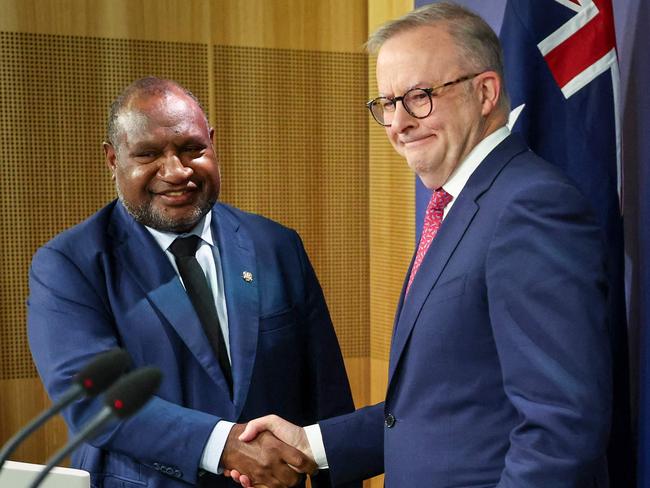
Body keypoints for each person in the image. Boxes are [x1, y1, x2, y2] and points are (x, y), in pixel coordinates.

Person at [229, 3, 613, 487]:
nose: (398, 123)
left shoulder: (532, 208)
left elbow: (561, 429)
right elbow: (442, 407)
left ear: (485, 92)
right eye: (387, 103)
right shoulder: (457, 205)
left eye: (418, 96)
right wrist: (313, 444)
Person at [27, 77, 359, 488]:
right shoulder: (69, 265)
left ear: (212, 143)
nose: (176, 171)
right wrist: (225, 445)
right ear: (113, 159)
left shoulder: (277, 245)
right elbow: (96, 402)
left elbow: (327, 395)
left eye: (192, 149)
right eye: (148, 154)